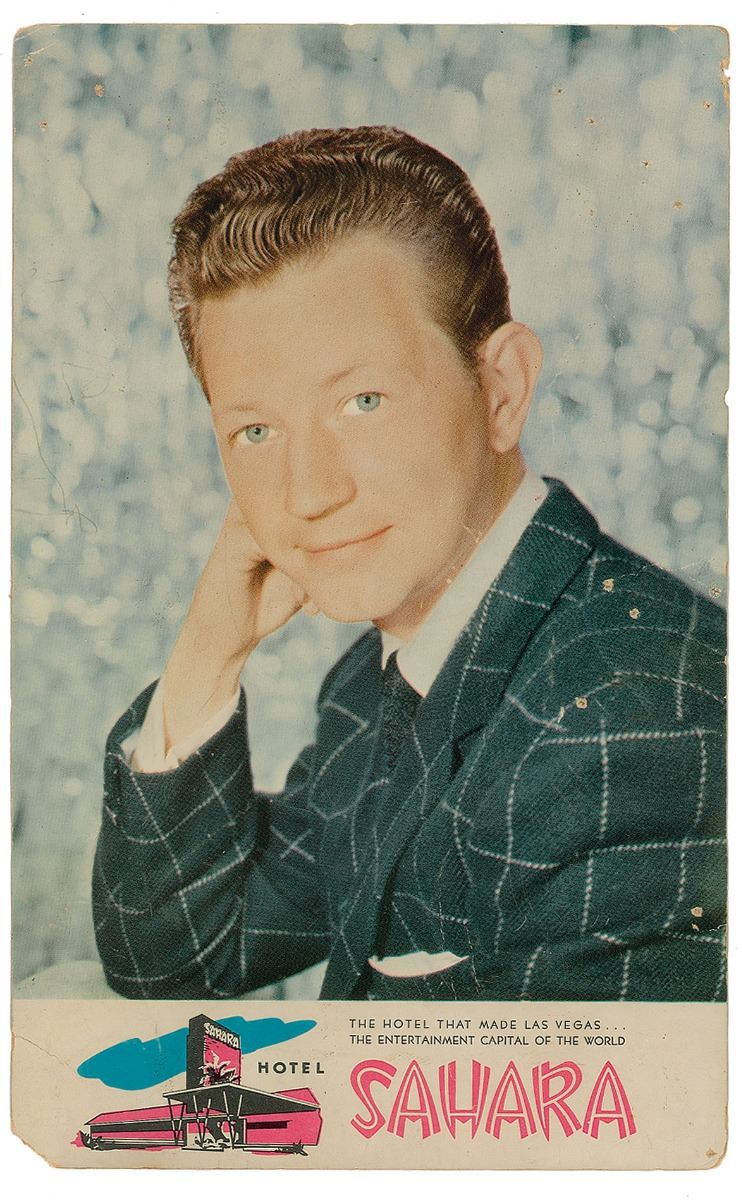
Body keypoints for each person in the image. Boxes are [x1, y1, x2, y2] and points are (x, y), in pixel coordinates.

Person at [94, 126, 726, 1002]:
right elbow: (176, 959)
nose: (309, 493)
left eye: (364, 400)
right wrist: (209, 650)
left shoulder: (626, 722)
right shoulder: (380, 678)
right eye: (257, 430)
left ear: (501, 389)